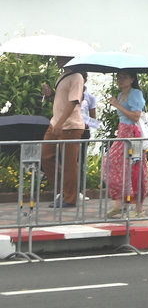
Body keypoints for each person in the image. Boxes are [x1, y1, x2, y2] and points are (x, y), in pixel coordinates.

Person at [41, 58, 87, 208]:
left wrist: (61, 122)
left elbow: (74, 101)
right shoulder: (62, 76)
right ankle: (63, 191)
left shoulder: (77, 77)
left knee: (69, 163)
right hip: (56, 123)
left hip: (70, 126)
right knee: (46, 156)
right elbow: (62, 99)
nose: (57, 60)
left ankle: (70, 198)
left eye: (61, 57)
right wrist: (50, 94)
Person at [105, 71, 148, 218]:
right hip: (122, 133)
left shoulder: (135, 94)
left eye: (124, 77)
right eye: (118, 77)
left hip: (133, 134)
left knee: (136, 168)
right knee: (112, 164)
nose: (120, 80)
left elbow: (136, 116)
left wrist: (118, 105)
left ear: (132, 79)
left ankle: (139, 208)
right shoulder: (119, 95)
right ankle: (119, 202)